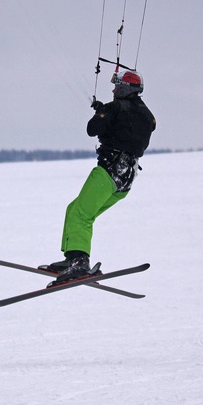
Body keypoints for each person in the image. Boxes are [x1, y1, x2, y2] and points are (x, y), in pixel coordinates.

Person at [42, 69, 156, 282]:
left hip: (109, 172)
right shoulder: (148, 116)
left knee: (80, 215)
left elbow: (92, 129)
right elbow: (128, 132)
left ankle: (79, 262)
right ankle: (72, 257)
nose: (113, 89)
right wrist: (107, 114)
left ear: (124, 88)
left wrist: (102, 112)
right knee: (76, 209)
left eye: (116, 85)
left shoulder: (115, 108)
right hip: (126, 180)